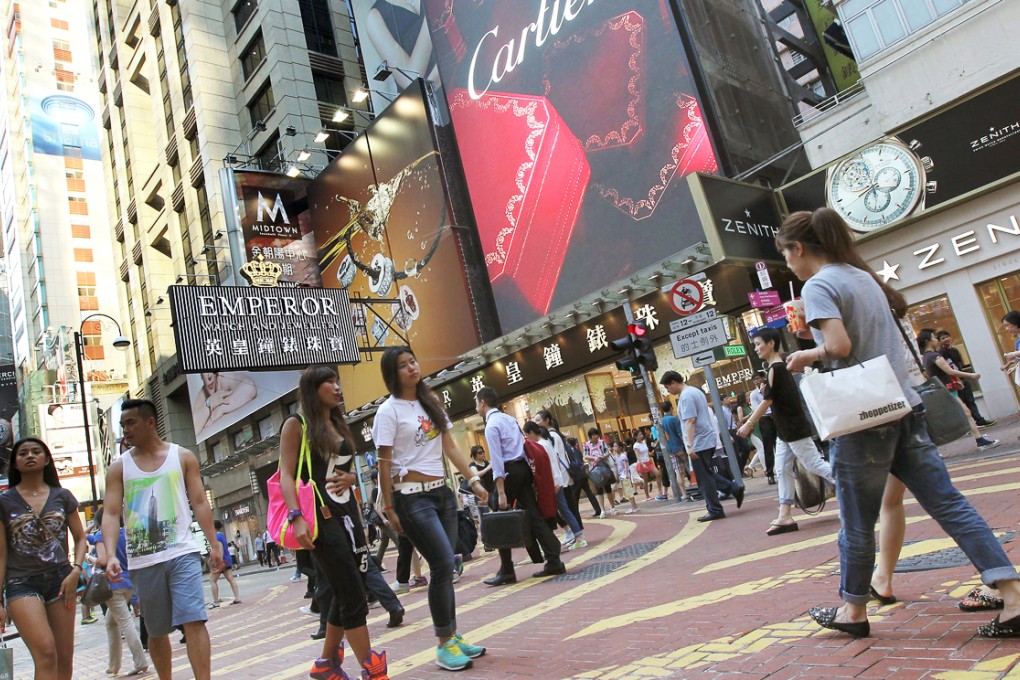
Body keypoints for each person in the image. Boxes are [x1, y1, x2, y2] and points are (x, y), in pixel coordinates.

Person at [779, 207, 1020, 638]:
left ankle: (854, 611)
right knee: (949, 503)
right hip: (903, 406)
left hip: (862, 419)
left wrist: (805, 355)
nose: (787, 263)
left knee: (856, 520)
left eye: (785, 254)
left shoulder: (818, 285)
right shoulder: (863, 277)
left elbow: (839, 345)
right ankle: (1012, 594)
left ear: (798, 248)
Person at [373, 347, 488, 672]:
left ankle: (452, 635)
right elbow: (383, 463)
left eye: (413, 361)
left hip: (442, 494)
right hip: (411, 498)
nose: (412, 367)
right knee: (440, 565)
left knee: (447, 566)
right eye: (403, 365)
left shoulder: (430, 402)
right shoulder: (388, 411)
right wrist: (389, 506)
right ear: (392, 374)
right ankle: (443, 644)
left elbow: (449, 446)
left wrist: (473, 481)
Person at [278, 366, 389, 680]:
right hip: (320, 520)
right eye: (329, 382)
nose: (337, 386)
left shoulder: (339, 422)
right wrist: (296, 517)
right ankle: (372, 669)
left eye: (337, 381)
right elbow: (286, 475)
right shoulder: (297, 424)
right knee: (352, 592)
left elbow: (345, 470)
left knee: (349, 588)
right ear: (313, 389)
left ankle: (326, 664)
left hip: (348, 516)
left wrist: (353, 478)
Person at [100, 399, 223, 680]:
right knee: (156, 631)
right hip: (144, 561)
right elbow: (111, 513)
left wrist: (213, 543)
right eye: (122, 425)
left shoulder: (183, 457)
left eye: (130, 423)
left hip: (183, 552)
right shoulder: (119, 468)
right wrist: (110, 554)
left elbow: (199, 501)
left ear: (150, 422)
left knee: (194, 620)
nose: (125, 430)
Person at [0, 438, 88, 680]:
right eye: (23, 453)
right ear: (14, 463)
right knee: (47, 653)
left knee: (64, 657)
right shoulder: (4, 502)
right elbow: (1, 553)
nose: (30, 456)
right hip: (21, 583)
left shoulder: (63, 496)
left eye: (36, 452)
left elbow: (81, 538)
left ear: (47, 459)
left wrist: (76, 570)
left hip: (62, 580)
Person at [738, 327, 834, 535]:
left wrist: (749, 424)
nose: (756, 349)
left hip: (793, 428)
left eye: (758, 344)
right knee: (782, 469)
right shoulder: (775, 368)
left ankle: (854, 487)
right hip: (785, 430)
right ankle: (784, 516)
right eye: (755, 345)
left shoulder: (777, 368)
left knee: (814, 464)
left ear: (771, 343)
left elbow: (767, 401)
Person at [477, 387, 565, 588]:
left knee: (499, 516)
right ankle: (553, 558)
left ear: (482, 402)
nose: (476, 408)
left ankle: (507, 570)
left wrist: (500, 491)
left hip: (509, 472)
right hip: (523, 469)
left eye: (476, 403)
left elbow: (497, 461)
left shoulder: (491, 425)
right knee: (532, 514)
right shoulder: (509, 419)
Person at [660, 372, 744, 522]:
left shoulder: (686, 396)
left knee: (704, 478)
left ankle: (715, 508)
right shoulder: (695, 391)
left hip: (699, 441)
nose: (668, 391)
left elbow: (690, 420)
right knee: (707, 474)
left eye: (667, 387)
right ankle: (733, 489)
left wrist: (690, 445)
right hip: (706, 438)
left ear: (673, 382)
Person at [918, 329, 1000, 452]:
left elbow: (935, 375)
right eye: (934, 337)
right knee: (962, 414)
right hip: (946, 391)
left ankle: (979, 440)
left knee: (964, 413)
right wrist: (971, 375)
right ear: (927, 341)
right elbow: (950, 371)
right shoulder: (934, 356)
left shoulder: (926, 357)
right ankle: (979, 441)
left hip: (943, 390)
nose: (936, 340)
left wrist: (955, 383)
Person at [91, 506, 148, 677]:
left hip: (113, 584)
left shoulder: (102, 535)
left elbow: (102, 560)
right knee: (111, 622)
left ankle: (140, 661)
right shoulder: (125, 533)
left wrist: (89, 558)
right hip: (128, 583)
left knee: (125, 622)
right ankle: (113, 665)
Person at [533, 411, 585, 550]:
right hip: (560, 477)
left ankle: (577, 535)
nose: (536, 422)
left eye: (538, 420)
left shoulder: (551, 438)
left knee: (566, 508)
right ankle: (576, 534)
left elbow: (553, 459)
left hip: (559, 477)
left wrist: (555, 479)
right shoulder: (550, 437)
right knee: (566, 508)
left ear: (547, 420)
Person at [936, 330, 996, 426]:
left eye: (947, 337)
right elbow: (950, 367)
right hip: (954, 380)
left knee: (970, 400)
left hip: (962, 377)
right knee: (962, 402)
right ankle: (968, 424)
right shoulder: (941, 353)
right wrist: (958, 378)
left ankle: (979, 419)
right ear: (939, 341)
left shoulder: (955, 350)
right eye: (943, 338)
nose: (946, 339)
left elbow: (960, 364)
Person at [658, 402, 691, 503]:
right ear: (671, 408)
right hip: (679, 445)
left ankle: (683, 493)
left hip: (670, 448)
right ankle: (695, 485)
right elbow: (680, 434)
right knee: (688, 466)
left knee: (677, 470)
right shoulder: (674, 419)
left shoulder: (661, 421)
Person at [749, 372, 777, 484]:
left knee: (780, 444)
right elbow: (757, 409)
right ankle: (770, 474)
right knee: (767, 447)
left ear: (763, 378)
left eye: (758, 379)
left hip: (775, 417)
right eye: (754, 380)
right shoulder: (754, 394)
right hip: (764, 420)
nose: (757, 381)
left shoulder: (770, 388)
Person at [582, 429, 617, 517]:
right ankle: (603, 510)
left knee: (608, 488)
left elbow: (607, 452)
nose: (596, 436)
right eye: (594, 435)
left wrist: (602, 457)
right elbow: (585, 456)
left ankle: (613, 508)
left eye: (597, 434)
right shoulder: (586, 444)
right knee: (599, 490)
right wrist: (594, 458)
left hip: (604, 467)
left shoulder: (602, 442)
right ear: (591, 436)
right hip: (594, 470)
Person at [565, 436, 602, 517]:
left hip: (576, 476)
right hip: (583, 474)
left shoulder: (568, 452)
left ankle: (575, 514)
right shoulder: (578, 451)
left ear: (568, 443)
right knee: (589, 493)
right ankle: (598, 509)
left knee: (575, 496)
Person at [208, 520, 242, 607]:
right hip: (228, 560)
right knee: (231, 579)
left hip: (221, 561)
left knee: (212, 580)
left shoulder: (216, 536)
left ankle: (216, 602)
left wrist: (218, 562)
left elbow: (220, 549)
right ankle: (237, 598)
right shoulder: (222, 535)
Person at [612, 441, 639, 514]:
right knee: (628, 492)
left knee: (628, 492)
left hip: (624, 476)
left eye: (616, 446)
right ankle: (634, 507)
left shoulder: (622, 456)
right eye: (614, 446)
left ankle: (633, 507)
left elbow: (625, 465)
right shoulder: (618, 456)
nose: (614, 448)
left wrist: (626, 474)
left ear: (620, 447)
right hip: (622, 476)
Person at [632, 430, 656, 501]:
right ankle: (647, 495)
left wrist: (651, 454)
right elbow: (637, 456)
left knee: (658, 474)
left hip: (648, 461)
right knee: (646, 480)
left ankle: (660, 491)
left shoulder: (644, 442)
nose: (641, 436)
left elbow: (646, 452)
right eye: (639, 435)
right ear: (636, 437)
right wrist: (642, 464)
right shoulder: (635, 445)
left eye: (641, 434)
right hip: (642, 463)